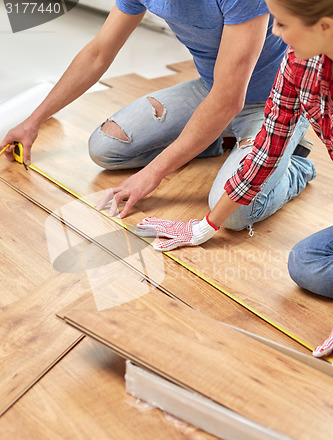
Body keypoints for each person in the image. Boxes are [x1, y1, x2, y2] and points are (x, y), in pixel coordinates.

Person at [1, 1, 313, 230]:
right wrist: (33, 121)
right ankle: (220, 140)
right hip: (211, 88)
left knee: (234, 213)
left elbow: (229, 99)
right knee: (105, 148)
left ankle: (295, 165)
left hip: (276, 102)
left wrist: (153, 173)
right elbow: (98, 53)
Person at [137, 0, 333, 357]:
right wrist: (206, 225)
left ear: (325, 26)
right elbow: (266, 148)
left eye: (283, 24)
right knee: (306, 264)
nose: (274, 32)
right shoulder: (296, 63)